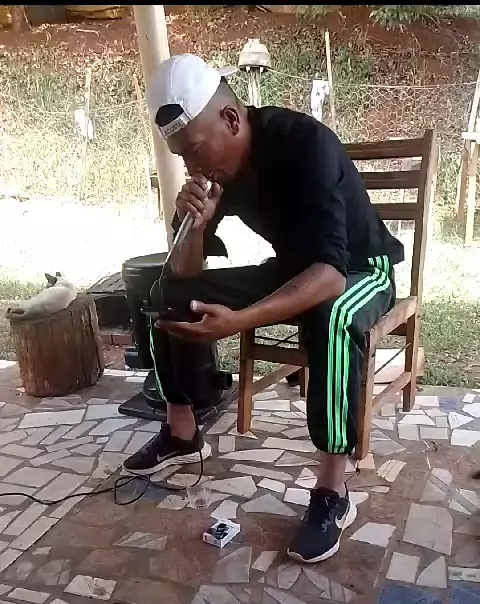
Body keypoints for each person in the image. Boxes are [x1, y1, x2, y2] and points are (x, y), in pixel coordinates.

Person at [124, 53, 404, 564]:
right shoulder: (218, 169)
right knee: (167, 294)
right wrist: (196, 224)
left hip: (360, 269)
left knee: (333, 315)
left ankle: (333, 490)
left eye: (194, 150)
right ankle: (182, 432)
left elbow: (331, 274)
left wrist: (238, 322)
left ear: (231, 119)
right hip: (293, 268)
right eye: (181, 157)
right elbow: (183, 272)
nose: (192, 167)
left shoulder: (305, 144)